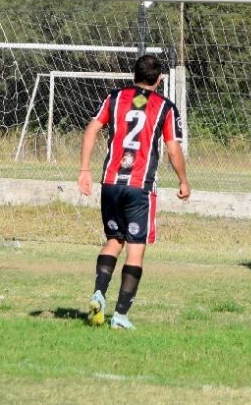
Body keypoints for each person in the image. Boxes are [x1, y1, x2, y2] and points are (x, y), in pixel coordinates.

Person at [78, 54, 190, 330]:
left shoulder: (114, 98)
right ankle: (120, 316)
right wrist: (183, 180)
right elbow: (173, 148)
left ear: (133, 75)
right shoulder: (165, 107)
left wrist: (84, 170)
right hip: (140, 187)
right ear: (160, 80)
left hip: (111, 183)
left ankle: (98, 294)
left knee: (114, 239)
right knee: (136, 250)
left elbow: (92, 128)